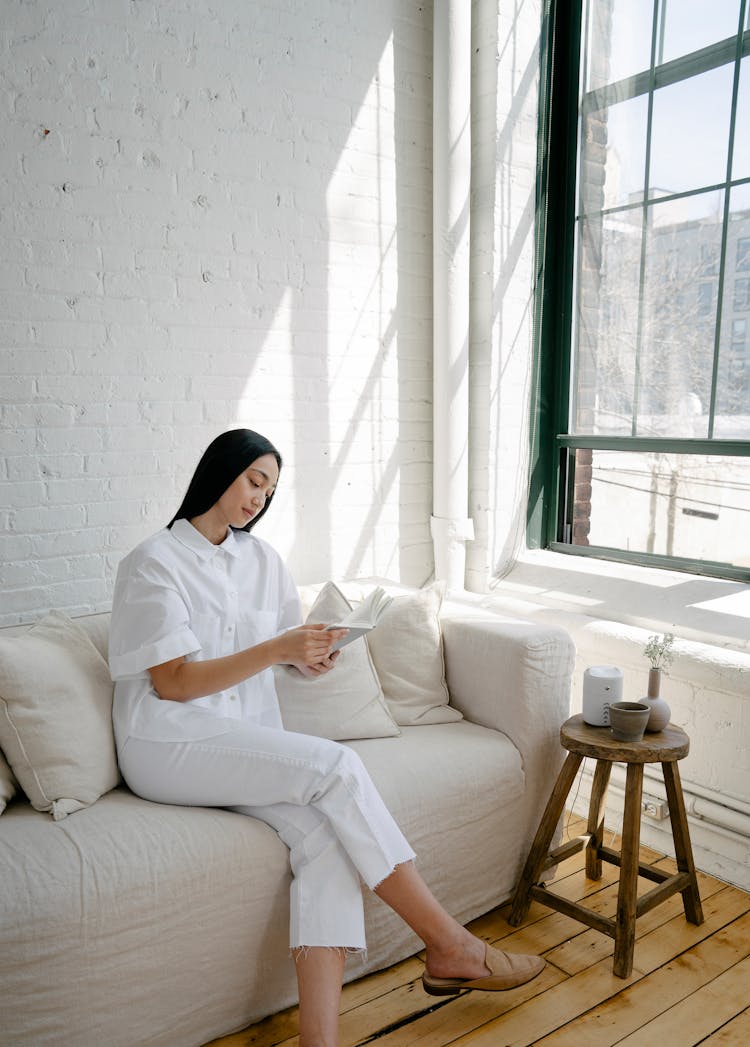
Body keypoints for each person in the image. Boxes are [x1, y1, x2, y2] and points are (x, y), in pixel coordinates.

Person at [108, 428, 545, 1046]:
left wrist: (308, 655)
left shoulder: (261, 562)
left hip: (238, 741)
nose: (261, 497)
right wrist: (277, 648)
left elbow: (279, 654)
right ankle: (450, 944)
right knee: (336, 768)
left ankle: (320, 1040)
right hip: (166, 742)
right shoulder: (152, 562)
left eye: (271, 489)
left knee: (325, 841)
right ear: (220, 472)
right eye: (254, 480)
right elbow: (174, 682)